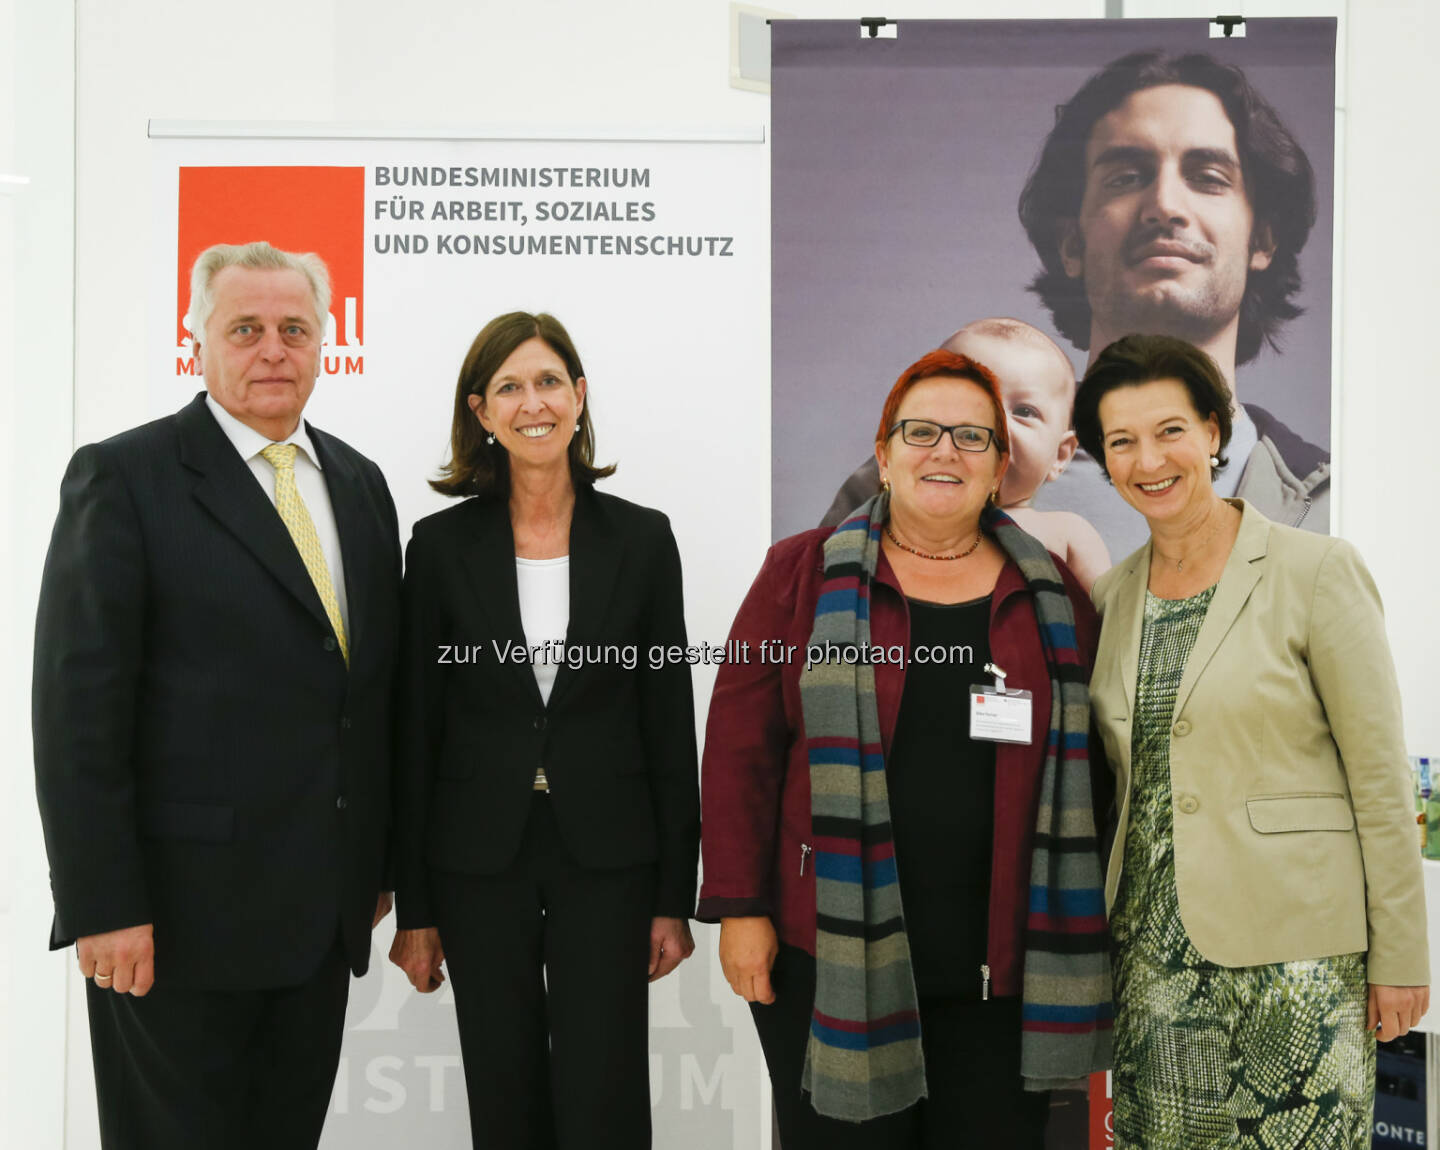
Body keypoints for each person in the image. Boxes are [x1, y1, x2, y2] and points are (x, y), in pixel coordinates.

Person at [32, 241, 401, 1149]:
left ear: (325, 343)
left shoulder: (359, 484)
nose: (272, 349)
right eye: (246, 329)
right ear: (199, 341)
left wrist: (380, 867)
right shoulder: (123, 477)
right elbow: (77, 712)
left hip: (317, 921)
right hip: (171, 925)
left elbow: (370, 697)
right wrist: (103, 903)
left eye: (294, 329)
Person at [700, 349, 1111, 1149]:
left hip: (1000, 966)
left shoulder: (1054, 594)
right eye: (921, 432)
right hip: (827, 953)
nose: (945, 452)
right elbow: (740, 752)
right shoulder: (802, 572)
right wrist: (742, 908)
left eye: (972, 436)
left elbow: (1095, 766)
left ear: (1000, 467)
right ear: (884, 455)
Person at [1076, 333, 1428, 1148]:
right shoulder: (1110, 595)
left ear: (1212, 430)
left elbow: (1380, 780)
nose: (1148, 459)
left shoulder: (1316, 570)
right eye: (1120, 441)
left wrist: (1401, 956)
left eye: (1169, 430)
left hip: (1296, 968)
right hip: (1154, 967)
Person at [388, 311, 699, 1150]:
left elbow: (667, 721)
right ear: (481, 411)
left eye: (550, 381)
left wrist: (676, 895)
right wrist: (414, 908)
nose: (535, 402)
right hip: (477, 855)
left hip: (609, 853)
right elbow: (416, 731)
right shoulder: (439, 547)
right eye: (511, 387)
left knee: (605, 1090)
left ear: (580, 396)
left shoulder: (642, 537)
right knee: (503, 1082)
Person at [1019, 50, 1330, 555]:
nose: (1165, 206)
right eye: (1125, 177)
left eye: (1208, 177)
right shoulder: (928, 467)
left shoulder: (1340, 507)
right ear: (1071, 243)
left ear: (1263, 241)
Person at [821, 319, 1110, 589]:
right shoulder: (889, 525)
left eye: (1023, 412)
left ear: (1060, 456)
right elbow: (819, 562)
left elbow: (1113, 628)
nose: (991, 421)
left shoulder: (1066, 535)